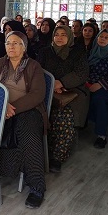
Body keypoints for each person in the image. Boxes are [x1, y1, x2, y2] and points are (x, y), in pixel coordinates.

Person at [0, 31, 47, 208]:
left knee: (29, 135)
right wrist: (2, 105)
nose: (11, 46)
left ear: (24, 47)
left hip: (27, 109)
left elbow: (38, 94)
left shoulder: (33, 66)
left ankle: (37, 186)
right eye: (8, 43)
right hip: (0, 107)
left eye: (16, 43)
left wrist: (13, 108)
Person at [37, 26, 89, 172]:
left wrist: (62, 83)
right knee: (36, 114)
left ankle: (57, 157)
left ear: (70, 37)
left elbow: (81, 73)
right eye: (56, 34)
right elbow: (37, 70)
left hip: (73, 93)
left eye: (63, 35)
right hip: (47, 90)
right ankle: (38, 152)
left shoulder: (78, 52)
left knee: (63, 117)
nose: (59, 37)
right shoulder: (45, 51)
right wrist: (52, 84)